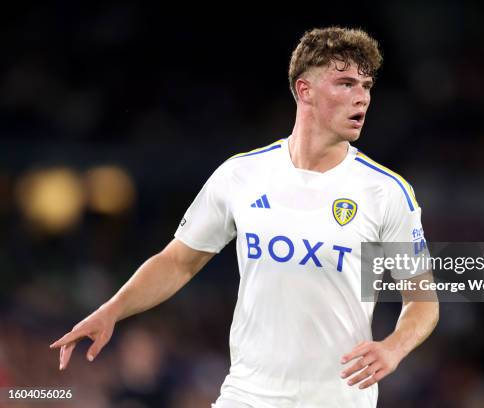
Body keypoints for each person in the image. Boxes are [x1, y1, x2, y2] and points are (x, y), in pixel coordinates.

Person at [50, 27, 439, 407]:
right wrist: (112, 310)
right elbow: (178, 262)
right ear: (304, 90)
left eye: (366, 86)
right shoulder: (242, 175)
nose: (362, 99)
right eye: (346, 84)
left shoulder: (385, 192)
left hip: (338, 398)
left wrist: (394, 347)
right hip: (248, 394)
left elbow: (421, 299)